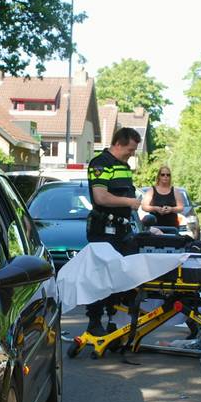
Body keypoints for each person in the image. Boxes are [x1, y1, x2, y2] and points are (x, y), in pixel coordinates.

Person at [85, 127, 143, 338]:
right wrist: (130, 202)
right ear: (118, 143)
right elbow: (101, 197)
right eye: (130, 149)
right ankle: (94, 321)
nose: (132, 153)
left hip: (122, 230)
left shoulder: (124, 166)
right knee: (100, 277)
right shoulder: (100, 164)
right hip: (103, 231)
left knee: (122, 277)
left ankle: (115, 320)